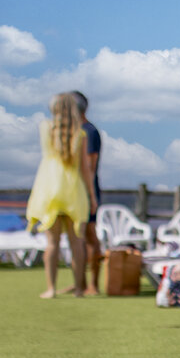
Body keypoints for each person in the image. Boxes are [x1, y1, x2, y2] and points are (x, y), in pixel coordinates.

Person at [26, 92, 90, 298]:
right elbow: (85, 170)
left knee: (52, 243)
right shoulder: (80, 134)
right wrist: (92, 197)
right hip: (72, 189)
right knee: (76, 242)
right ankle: (79, 288)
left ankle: (51, 288)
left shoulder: (45, 128)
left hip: (49, 187)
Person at [71, 92, 103, 295]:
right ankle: (79, 283)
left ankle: (94, 284)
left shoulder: (89, 132)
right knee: (76, 238)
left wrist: (91, 197)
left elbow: (90, 167)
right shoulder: (72, 132)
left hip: (87, 191)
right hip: (72, 192)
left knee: (90, 236)